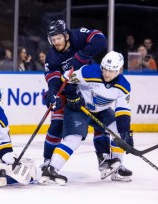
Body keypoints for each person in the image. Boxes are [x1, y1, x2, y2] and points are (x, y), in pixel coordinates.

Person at [41, 51, 134, 185]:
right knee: (74, 138)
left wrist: (125, 132)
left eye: (111, 71)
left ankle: (117, 168)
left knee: (119, 130)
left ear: (120, 70)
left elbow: (123, 110)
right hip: (78, 108)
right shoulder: (89, 72)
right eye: (105, 69)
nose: (107, 74)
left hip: (100, 111)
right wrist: (73, 96)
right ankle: (51, 169)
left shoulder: (124, 86)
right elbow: (66, 78)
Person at [42, 19, 110, 180]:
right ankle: (47, 161)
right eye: (53, 39)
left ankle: (104, 158)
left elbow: (101, 40)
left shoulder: (77, 36)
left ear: (66, 35)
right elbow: (53, 80)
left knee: (101, 118)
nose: (56, 42)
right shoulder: (51, 57)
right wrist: (53, 93)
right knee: (57, 123)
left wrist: (81, 56)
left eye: (58, 38)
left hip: (89, 87)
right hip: (68, 89)